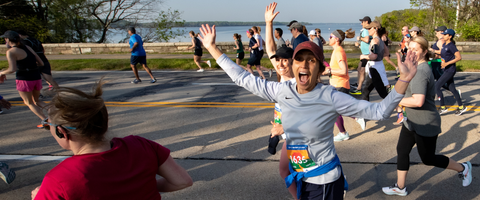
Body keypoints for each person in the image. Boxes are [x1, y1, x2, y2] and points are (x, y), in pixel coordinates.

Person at [197, 6, 418, 198]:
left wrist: (405, 80)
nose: (304, 65)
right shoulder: (283, 90)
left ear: (320, 69)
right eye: (299, 60)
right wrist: (212, 48)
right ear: (293, 67)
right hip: (302, 176)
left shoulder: (331, 96)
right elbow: (242, 77)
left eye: (311, 61)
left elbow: (379, 111)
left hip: (324, 181)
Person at [30, 79, 193, 199]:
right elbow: (182, 181)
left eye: (47, 125)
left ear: (61, 132)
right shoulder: (142, 145)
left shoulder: (58, 181)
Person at [382, 36, 472, 196]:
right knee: (402, 150)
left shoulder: (421, 71)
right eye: (409, 49)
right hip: (411, 121)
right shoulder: (414, 67)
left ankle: (463, 168)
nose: (411, 52)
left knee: (428, 159)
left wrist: (395, 100)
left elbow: (418, 100)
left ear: (424, 52)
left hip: (425, 123)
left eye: (415, 50)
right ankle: (400, 187)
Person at [263, 5, 296, 198]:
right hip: (284, 132)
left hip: (297, 134)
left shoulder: (299, 82)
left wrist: (283, 126)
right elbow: (269, 48)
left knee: (298, 170)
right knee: (284, 171)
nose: (280, 64)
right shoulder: (282, 77)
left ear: (293, 62)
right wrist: (268, 23)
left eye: (285, 60)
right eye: (278, 61)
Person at [0, 30, 47, 128]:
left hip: (24, 79)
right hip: (36, 77)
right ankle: (56, 114)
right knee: (37, 100)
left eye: (5, 39)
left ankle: (45, 120)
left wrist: (1, 72)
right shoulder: (28, 47)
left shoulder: (11, 52)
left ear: (8, 39)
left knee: (29, 102)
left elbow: (12, 69)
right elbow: (41, 63)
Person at [432, 29, 467, 116]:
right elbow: (443, 54)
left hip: (450, 70)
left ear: (450, 36)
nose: (443, 35)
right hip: (446, 69)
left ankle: (443, 107)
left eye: (445, 34)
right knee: (452, 89)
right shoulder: (444, 44)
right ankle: (461, 107)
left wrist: (447, 63)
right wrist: (433, 54)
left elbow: (459, 57)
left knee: (437, 86)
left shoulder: (451, 45)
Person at [327, 30, 352, 142]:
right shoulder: (336, 51)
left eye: (331, 36)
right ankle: (343, 133)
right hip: (337, 84)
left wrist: (329, 71)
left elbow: (343, 70)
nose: (329, 38)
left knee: (336, 110)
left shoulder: (338, 52)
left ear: (336, 39)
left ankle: (357, 117)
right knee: (336, 110)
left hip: (339, 84)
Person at [360, 21, 390, 102]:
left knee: (383, 93)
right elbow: (387, 53)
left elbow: (374, 56)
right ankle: (364, 110)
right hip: (377, 66)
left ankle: (399, 108)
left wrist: (364, 56)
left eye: (369, 28)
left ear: (375, 29)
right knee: (366, 90)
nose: (368, 30)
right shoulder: (380, 40)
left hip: (375, 68)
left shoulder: (374, 41)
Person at [351, 16, 372, 95]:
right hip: (364, 54)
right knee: (359, 69)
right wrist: (359, 45)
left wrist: (360, 38)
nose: (361, 23)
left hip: (367, 54)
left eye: (362, 22)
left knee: (362, 70)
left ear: (366, 22)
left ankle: (359, 88)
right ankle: (357, 84)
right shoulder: (365, 30)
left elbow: (366, 40)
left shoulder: (366, 30)